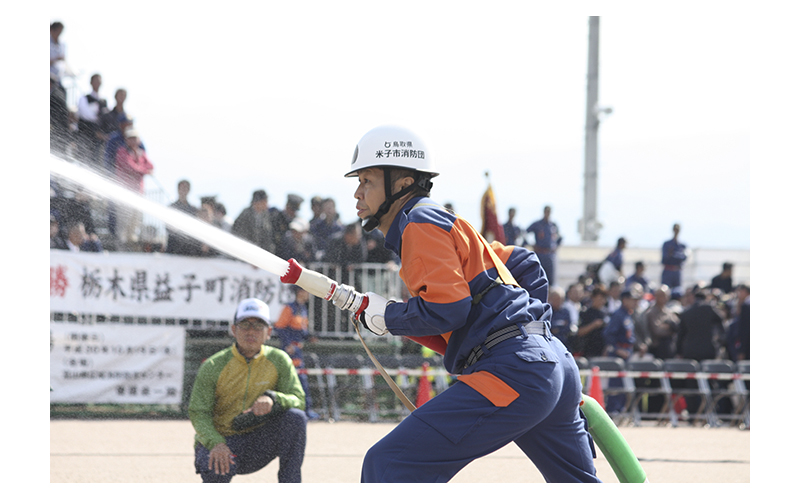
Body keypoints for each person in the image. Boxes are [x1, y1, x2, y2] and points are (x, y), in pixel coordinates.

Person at [338, 125, 599, 483]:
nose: (357, 192)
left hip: (514, 369)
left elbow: (448, 309)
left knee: (390, 464)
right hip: (550, 364)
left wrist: (390, 316)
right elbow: (525, 265)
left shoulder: (418, 222)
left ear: (400, 183)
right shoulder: (443, 221)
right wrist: (534, 337)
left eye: (366, 180)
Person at [188, 298, 307, 483]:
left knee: (296, 418)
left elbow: (299, 400)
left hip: (258, 443)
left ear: (268, 332)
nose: (251, 331)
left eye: (258, 326)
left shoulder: (279, 360)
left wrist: (273, 399)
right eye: (245, 325)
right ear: (233, 330)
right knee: (214, 469)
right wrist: (216, 443)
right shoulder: (213, 365)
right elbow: (198, 412)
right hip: (223, 441)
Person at [273, 288, 320, 420]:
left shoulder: (302, 308)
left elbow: (301, 330)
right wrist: (288, 344)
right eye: (306, 291)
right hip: (290, 352)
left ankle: (306, 410)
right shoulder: (290, 308)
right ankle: (301, 410)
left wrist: (310, 337)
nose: (309, 294)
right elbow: (279, 327)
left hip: (298, 350)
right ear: (300, 292)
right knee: (295, 380)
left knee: (302, 379)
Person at [114, 128, 154, 249]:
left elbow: (151, 166)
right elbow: (130, 167)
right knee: (124, 219)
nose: (132, 140)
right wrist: (144, 170)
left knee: (135, 219)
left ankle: (131, 242)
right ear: (126, 140)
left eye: (134, 138)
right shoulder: (122, 151)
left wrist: (143, 169)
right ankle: (121, 244)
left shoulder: (141, 153)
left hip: (138, 192)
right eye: (130, 138)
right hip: (125, 192)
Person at [602, 289, 640, 414]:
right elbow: (608, 335)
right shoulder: (618, 315)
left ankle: (621, 410)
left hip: (627, 353)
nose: (635, 302)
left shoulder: (628, 315)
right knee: (616, 385)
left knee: (624, 385)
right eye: (632, 299)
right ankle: (614, 410)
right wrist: (617, 350)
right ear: (624, 300)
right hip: (618, 355)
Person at [76, 73, 109, 169]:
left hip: (98, 139)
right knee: (83, 159)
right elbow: (86, 114)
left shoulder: (104, 101)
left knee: (96, 162)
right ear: (91, 82)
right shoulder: (84, 98)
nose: (97, 83)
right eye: (95, 81)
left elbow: (106, 117)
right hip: (85, 134)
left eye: (99, 81)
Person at [526, 205, 563, 287]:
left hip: (550, 255)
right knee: (538, 277)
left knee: (551, 280)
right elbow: (525, 233)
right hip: (540, 253)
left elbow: (560, 237)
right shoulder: (537, 224)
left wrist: (556, 246)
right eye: (546, 211)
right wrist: (531, 245)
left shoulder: (553, 225)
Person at [232, 190, 278, 254]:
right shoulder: (245, 214)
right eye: (265, 201)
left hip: (260, 254)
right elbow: (239, 235)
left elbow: (267, 237)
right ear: (258, 202)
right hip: (245, 253)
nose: (267, 204)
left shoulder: (265, 216)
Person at [642, 285, 680, 360]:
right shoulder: (651, 312)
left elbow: (678, 326)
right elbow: (657, 331)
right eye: (661, 296)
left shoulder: (669, 312)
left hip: (670, 346)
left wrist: (668, 326)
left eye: (666, 296)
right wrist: (670, 329)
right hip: (657, 347)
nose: (664, 298)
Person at [165, 179, 200, 255]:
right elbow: (168, 227)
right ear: (178, 189)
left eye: (186, 188)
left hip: (188, 248)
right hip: (173, 246)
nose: (183, 190)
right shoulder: (171, 208)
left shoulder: (193, 210)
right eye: (182, 188)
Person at [574, 286, 608, 358]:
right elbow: (580, 332)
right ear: (593, 298)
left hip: (602, 349)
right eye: (599, 298)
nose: (602, 301)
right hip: (588, 349)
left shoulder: (605, 313)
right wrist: (593, 325)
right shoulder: (585, 313)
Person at [661, 223, 688, 296]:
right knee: (665, 291)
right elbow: (665, 258)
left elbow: (684, 257)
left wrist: (674, 254)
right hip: (668, 271)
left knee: (678, 291)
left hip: (677, 271)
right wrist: (676, 255)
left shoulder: (682, 245)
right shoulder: (667, 244)